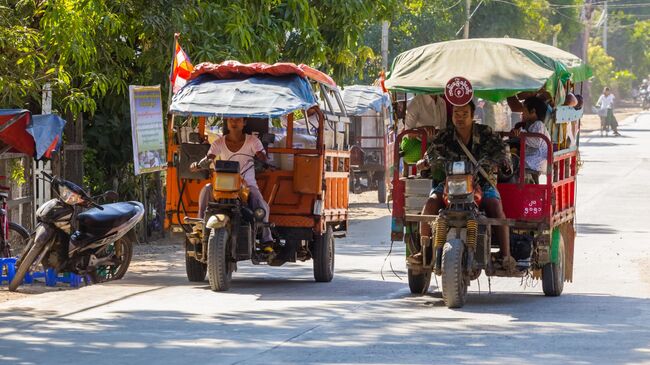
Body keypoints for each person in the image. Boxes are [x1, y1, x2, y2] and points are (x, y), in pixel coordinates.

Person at [414, 101, 516, 272]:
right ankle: (423, 250)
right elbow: (432, 152)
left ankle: (506, 256)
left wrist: (503, 161)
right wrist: (424, 162)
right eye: (456, 114)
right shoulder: (445, 135)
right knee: (430, 203)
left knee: (495, 206)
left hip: (482, 183)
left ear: (472, 114)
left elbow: (502, 150)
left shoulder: (486, 133)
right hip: (451, 183)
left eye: (464, 114)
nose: (460, 118)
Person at [192, 117, 273, 244]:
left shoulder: (253, 140)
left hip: (246, 184)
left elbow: (261, 155)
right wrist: (199, 164)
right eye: (231, 119)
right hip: (223, 184)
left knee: (260, 203)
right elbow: (209, 157)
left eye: (238, 120)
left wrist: (263, 160)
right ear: (227, 123)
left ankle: (266, 238)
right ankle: (199, 226)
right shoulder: (219, 142)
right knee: (206, 190)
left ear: (244, 123)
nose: (234, 122)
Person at [510, 97, 551, 184]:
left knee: (508, 164)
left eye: (524, 110)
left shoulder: (538, 124)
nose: (522, 113)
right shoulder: (533, 125)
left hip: (535, 161)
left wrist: (521, 133)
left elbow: (536, 142)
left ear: (532, 111)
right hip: (533, 160)